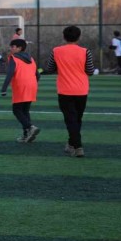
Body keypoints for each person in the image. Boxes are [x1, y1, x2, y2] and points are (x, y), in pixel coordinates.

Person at [43, 25, 96, 158]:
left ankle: (77, 146)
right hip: (81, 90)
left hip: (65, 90)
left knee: (70, 120)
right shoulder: (85, 51)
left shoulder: (56, 51)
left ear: (64, 36)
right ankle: (72, 144)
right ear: (79, 37)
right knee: (77, 119)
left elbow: (50, 69)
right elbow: (90, 71)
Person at [1, 39, 41, 143]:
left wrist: (4, 88)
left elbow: (10, 74)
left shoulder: (14, 58)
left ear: (19, 48)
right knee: (25, 110)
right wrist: (33, 83)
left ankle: (30, 127)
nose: (11, 48)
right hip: (32, 85)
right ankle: (26, 135)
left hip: (21, 86)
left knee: (16, 110)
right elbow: (38, 75)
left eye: (13, 46)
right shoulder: (31, 58)